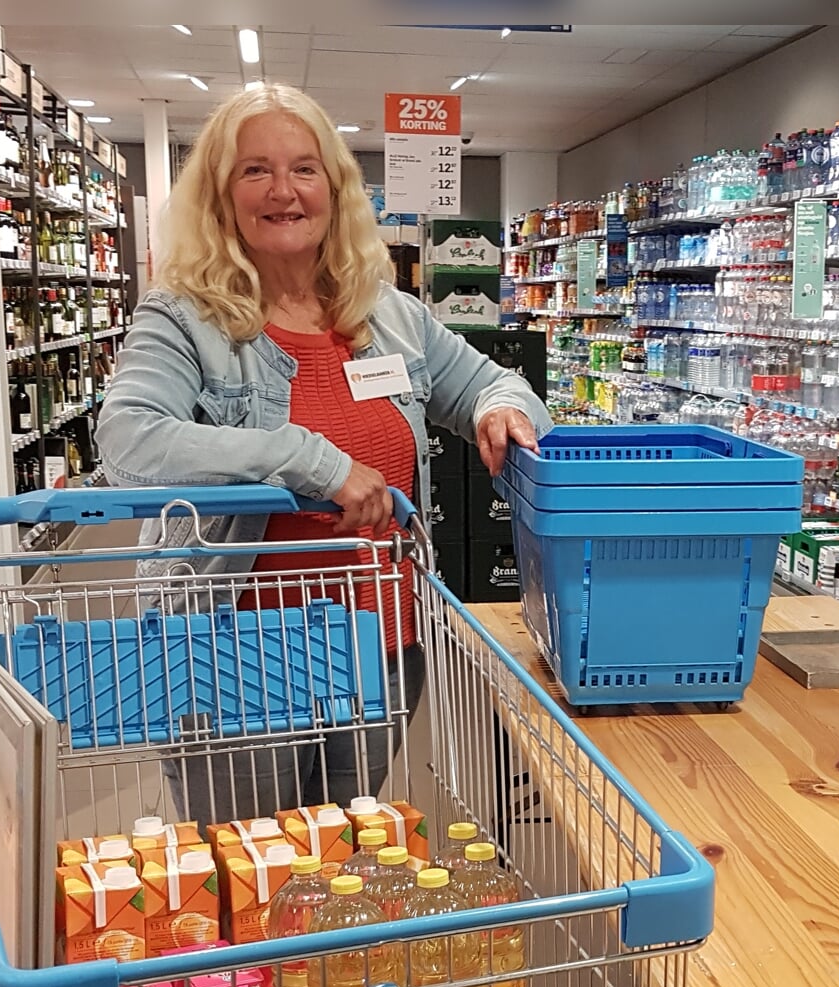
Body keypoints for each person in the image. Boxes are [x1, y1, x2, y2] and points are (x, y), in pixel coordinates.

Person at [95, 83, 549, 824]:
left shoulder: (388, 314)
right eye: (255, 171)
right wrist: (307, 460)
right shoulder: (183, 317)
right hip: (235, 654)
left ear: (336, 190)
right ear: (220, 194)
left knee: (338, 859)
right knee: (248, 871)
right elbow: (128, 443)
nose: (283, 191)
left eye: (305, 169)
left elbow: (494, 383)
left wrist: (504, 407)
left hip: (380, 647)